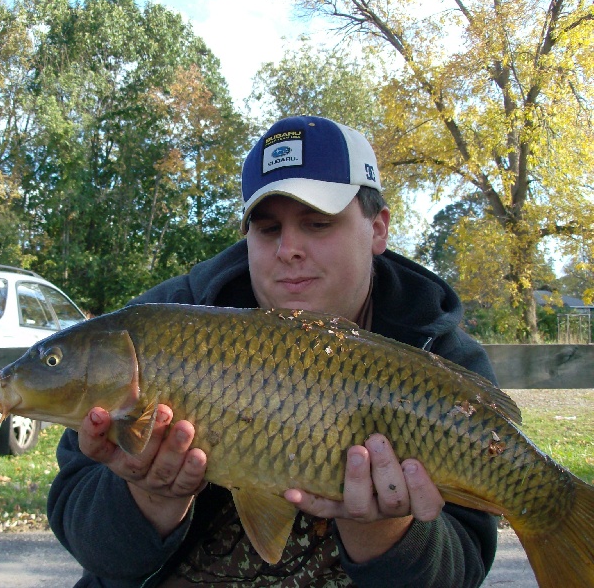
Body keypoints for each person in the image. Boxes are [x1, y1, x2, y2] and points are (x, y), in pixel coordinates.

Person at [47, 115, 498, 587]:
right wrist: (151, 496)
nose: (288, 249)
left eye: (318, 223)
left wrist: (383, 530)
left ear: (378, 228)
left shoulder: (441, 358)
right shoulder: (154, 332)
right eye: (266, 229)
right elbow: (87, 538)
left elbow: (462, 569)